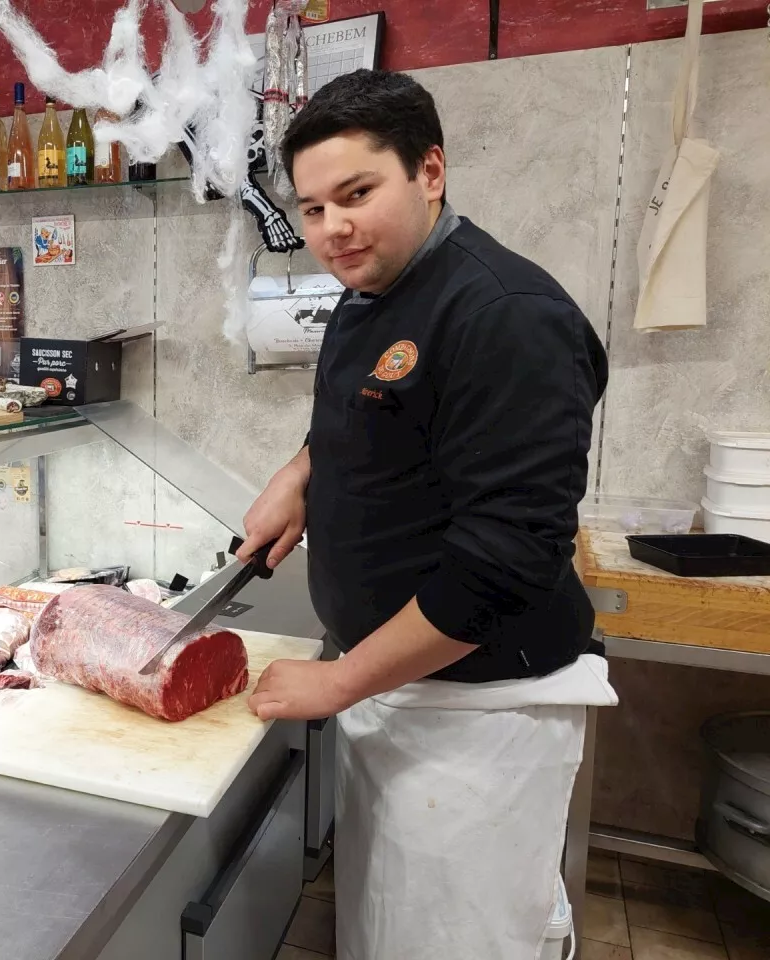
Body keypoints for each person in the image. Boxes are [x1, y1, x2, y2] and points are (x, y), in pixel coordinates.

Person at [236, 70, 618, 959]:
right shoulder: (376, 292)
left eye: (357, 194)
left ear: (431, 171)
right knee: (391, 933)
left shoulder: (507, 315)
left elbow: (504, 561)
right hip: (400, 691)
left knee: (464, 939)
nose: (332, 228)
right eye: (315, 207)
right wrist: (301, 473)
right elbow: (370, 418)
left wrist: (335, 683)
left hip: (483, 715)